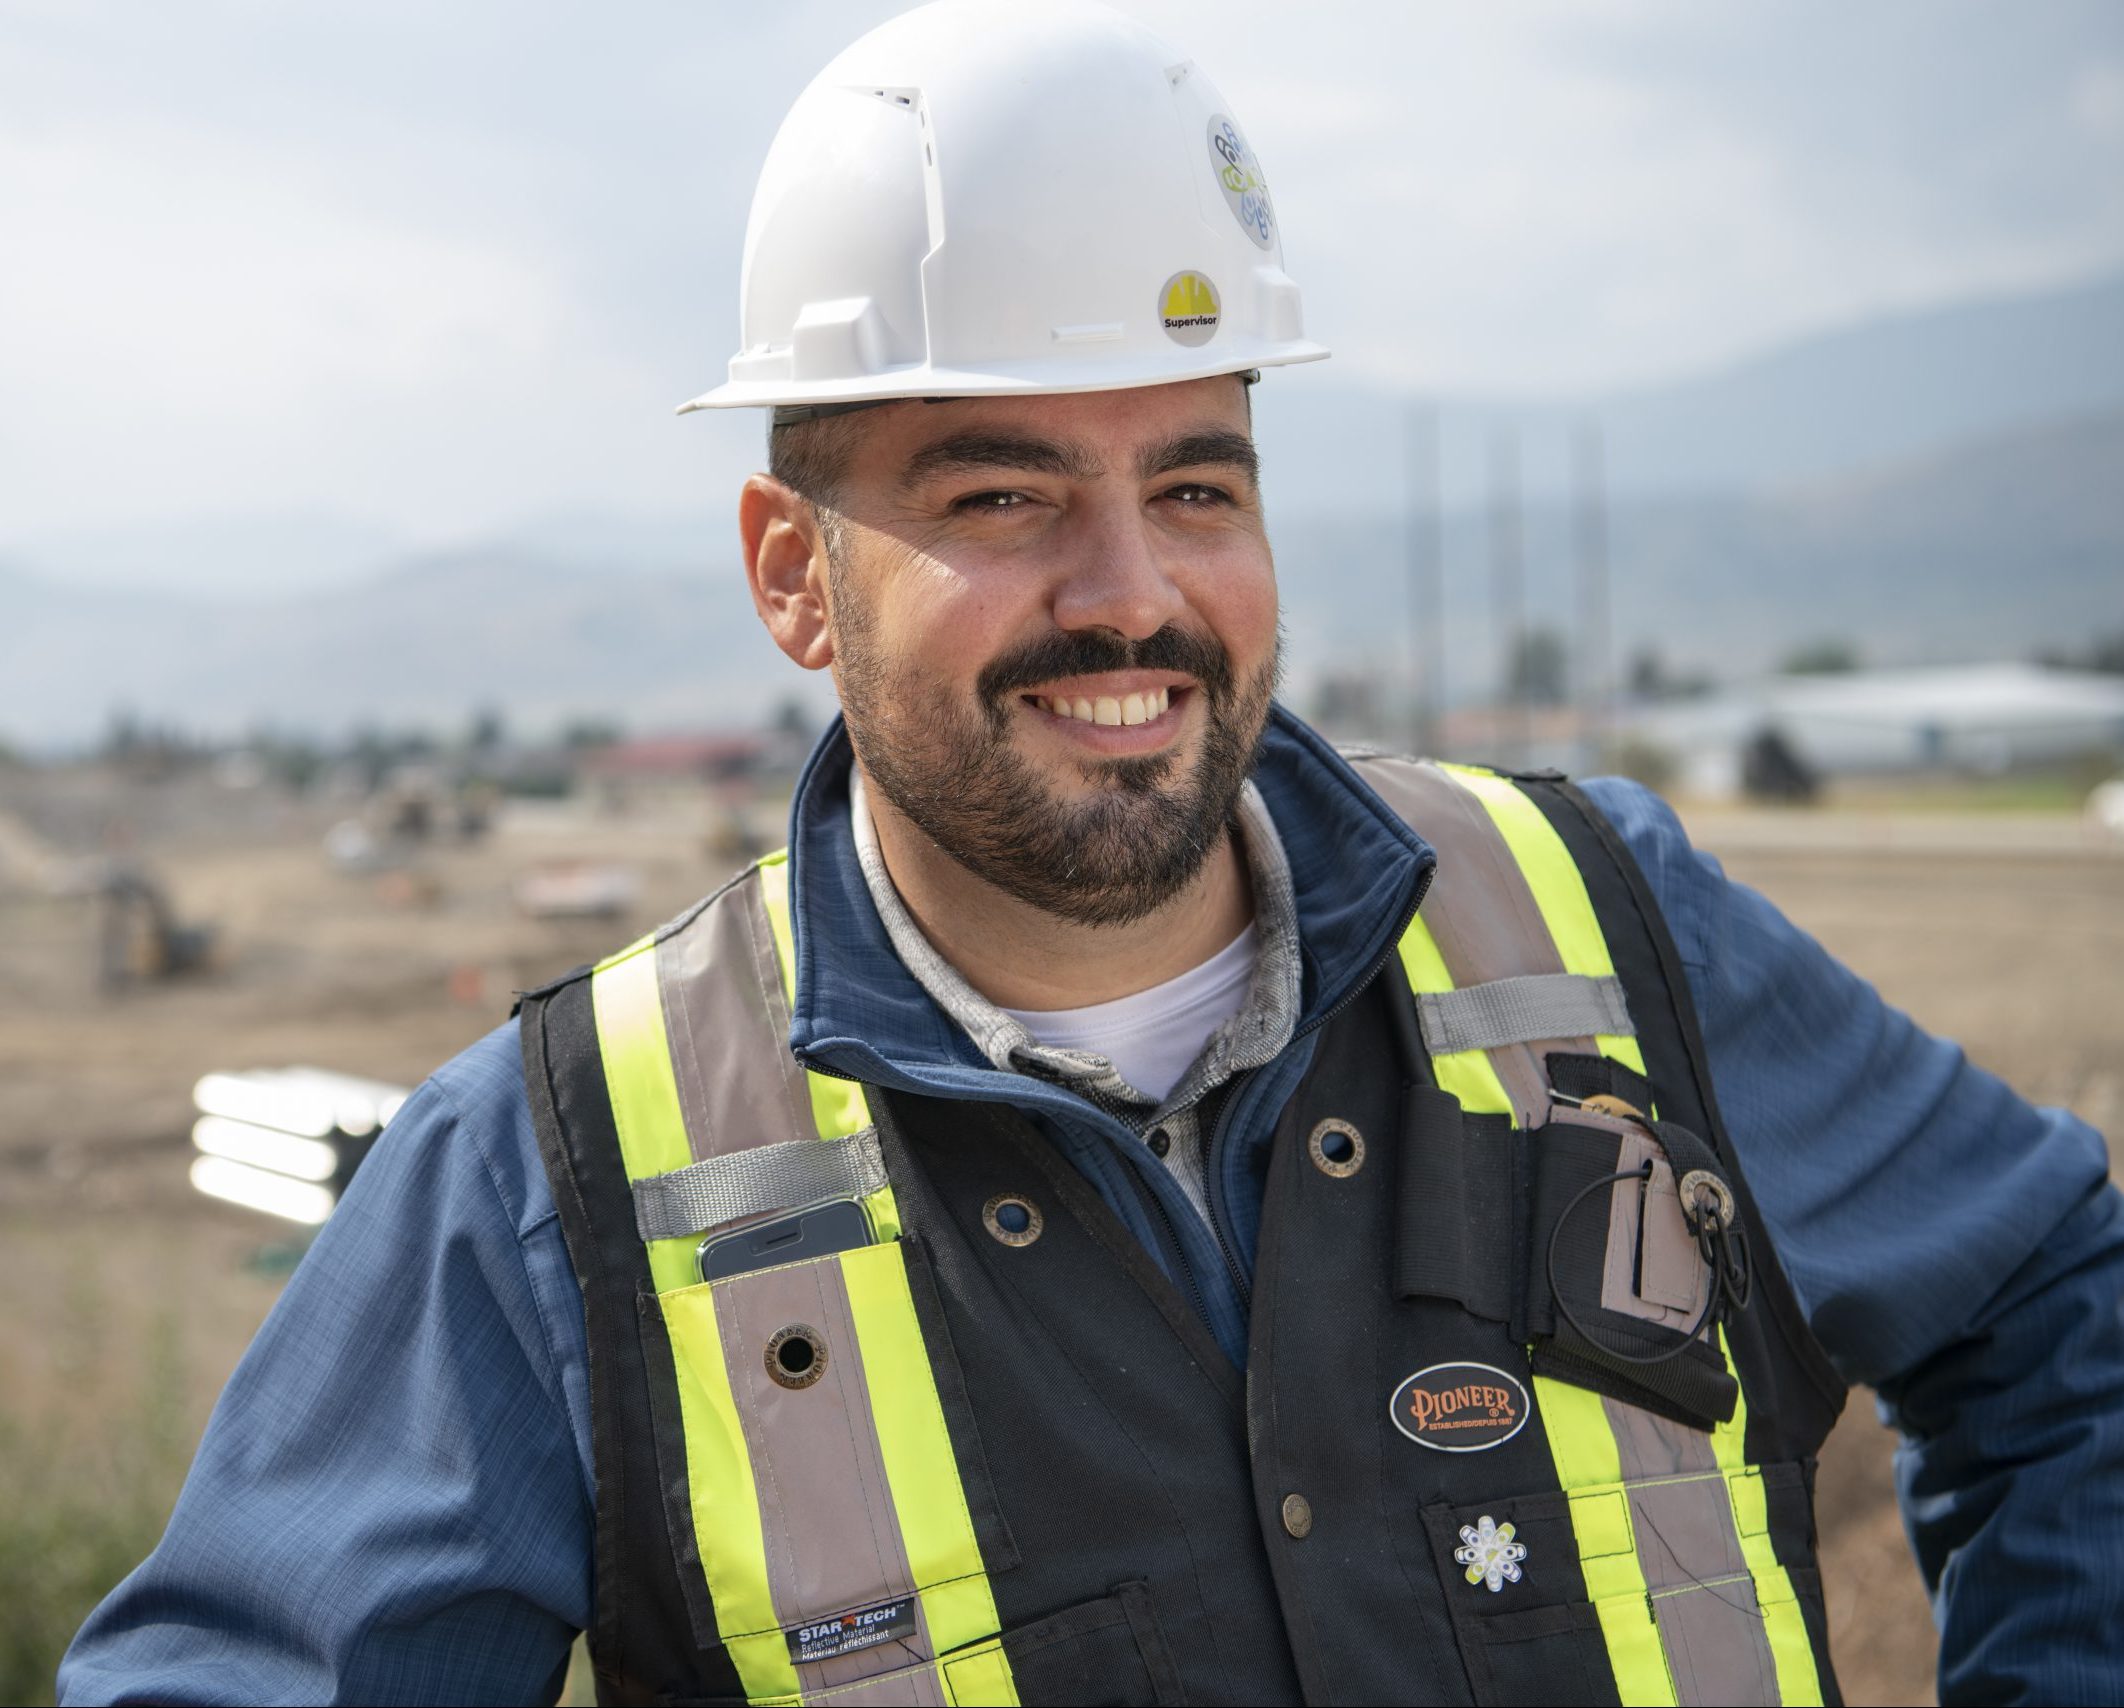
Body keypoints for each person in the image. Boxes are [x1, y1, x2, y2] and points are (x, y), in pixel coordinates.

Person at [61, 4, 2122, 1704]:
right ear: (796, 572)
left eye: (1198, 480)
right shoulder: (558, 1176)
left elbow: (2064, 1317)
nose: (1131, 597)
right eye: (1003, 490)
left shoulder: (1606, 923)